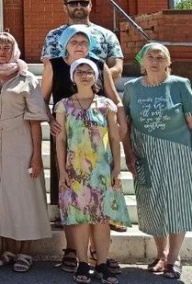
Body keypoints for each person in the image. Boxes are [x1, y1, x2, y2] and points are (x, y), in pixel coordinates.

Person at [41, 25, 125, 274]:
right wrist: (51, 121)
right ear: (65, 43)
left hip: (99, 150)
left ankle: (99, 256)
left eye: (84, 41)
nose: (79, 45)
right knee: (71, 203)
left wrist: (120, 124)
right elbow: (42, 98)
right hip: (67, 142)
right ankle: (75, 253)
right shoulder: (54, 65)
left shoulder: (99, 65)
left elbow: (113, 96)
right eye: (74, 41)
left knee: (99, 211)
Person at [0, 32, 50, 273]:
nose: (2, 51)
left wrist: (36, 155)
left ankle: (25, 252)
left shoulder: (27, 78)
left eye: (7, 47)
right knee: (2, 199)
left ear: (14, 50)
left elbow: (34, 120)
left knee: (24, 199)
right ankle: (7, 250)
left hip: (21, 145)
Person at [122, 43, 192, 280]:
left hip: (178, 153)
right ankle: (160, 254)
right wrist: (128, 154)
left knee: (176, 204)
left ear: (168, 62)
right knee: (152, 203)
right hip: (145, 154)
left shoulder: (180, 85)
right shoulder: (132, 88)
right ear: (142, 61)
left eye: (160, 57)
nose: (154, 61)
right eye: (149, 56)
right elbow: (126, 126)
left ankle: (173, 258)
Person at [55, 58, 129, 284]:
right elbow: (60, 141)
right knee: (80, 218)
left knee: (101, 219)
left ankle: (103, 264)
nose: (85, 74)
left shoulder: (106, 105)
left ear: (96, 76)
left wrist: (117, 168)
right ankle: (83, 263)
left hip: (102, 170)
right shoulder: (63, 106)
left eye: (89, 71)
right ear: (73, 77)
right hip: (75, 171)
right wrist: (63, 171)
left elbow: (115, 139)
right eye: (80, 71)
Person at [41, 0, 124, 81]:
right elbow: (49, 68)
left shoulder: (107, 35)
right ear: (65, 8)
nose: (79, 7)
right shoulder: (53, 36)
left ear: (90, 6)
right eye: (73, 4)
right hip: (64, 92)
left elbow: (117, 69)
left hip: (98, 92)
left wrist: (90, 79)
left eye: (84, 3)